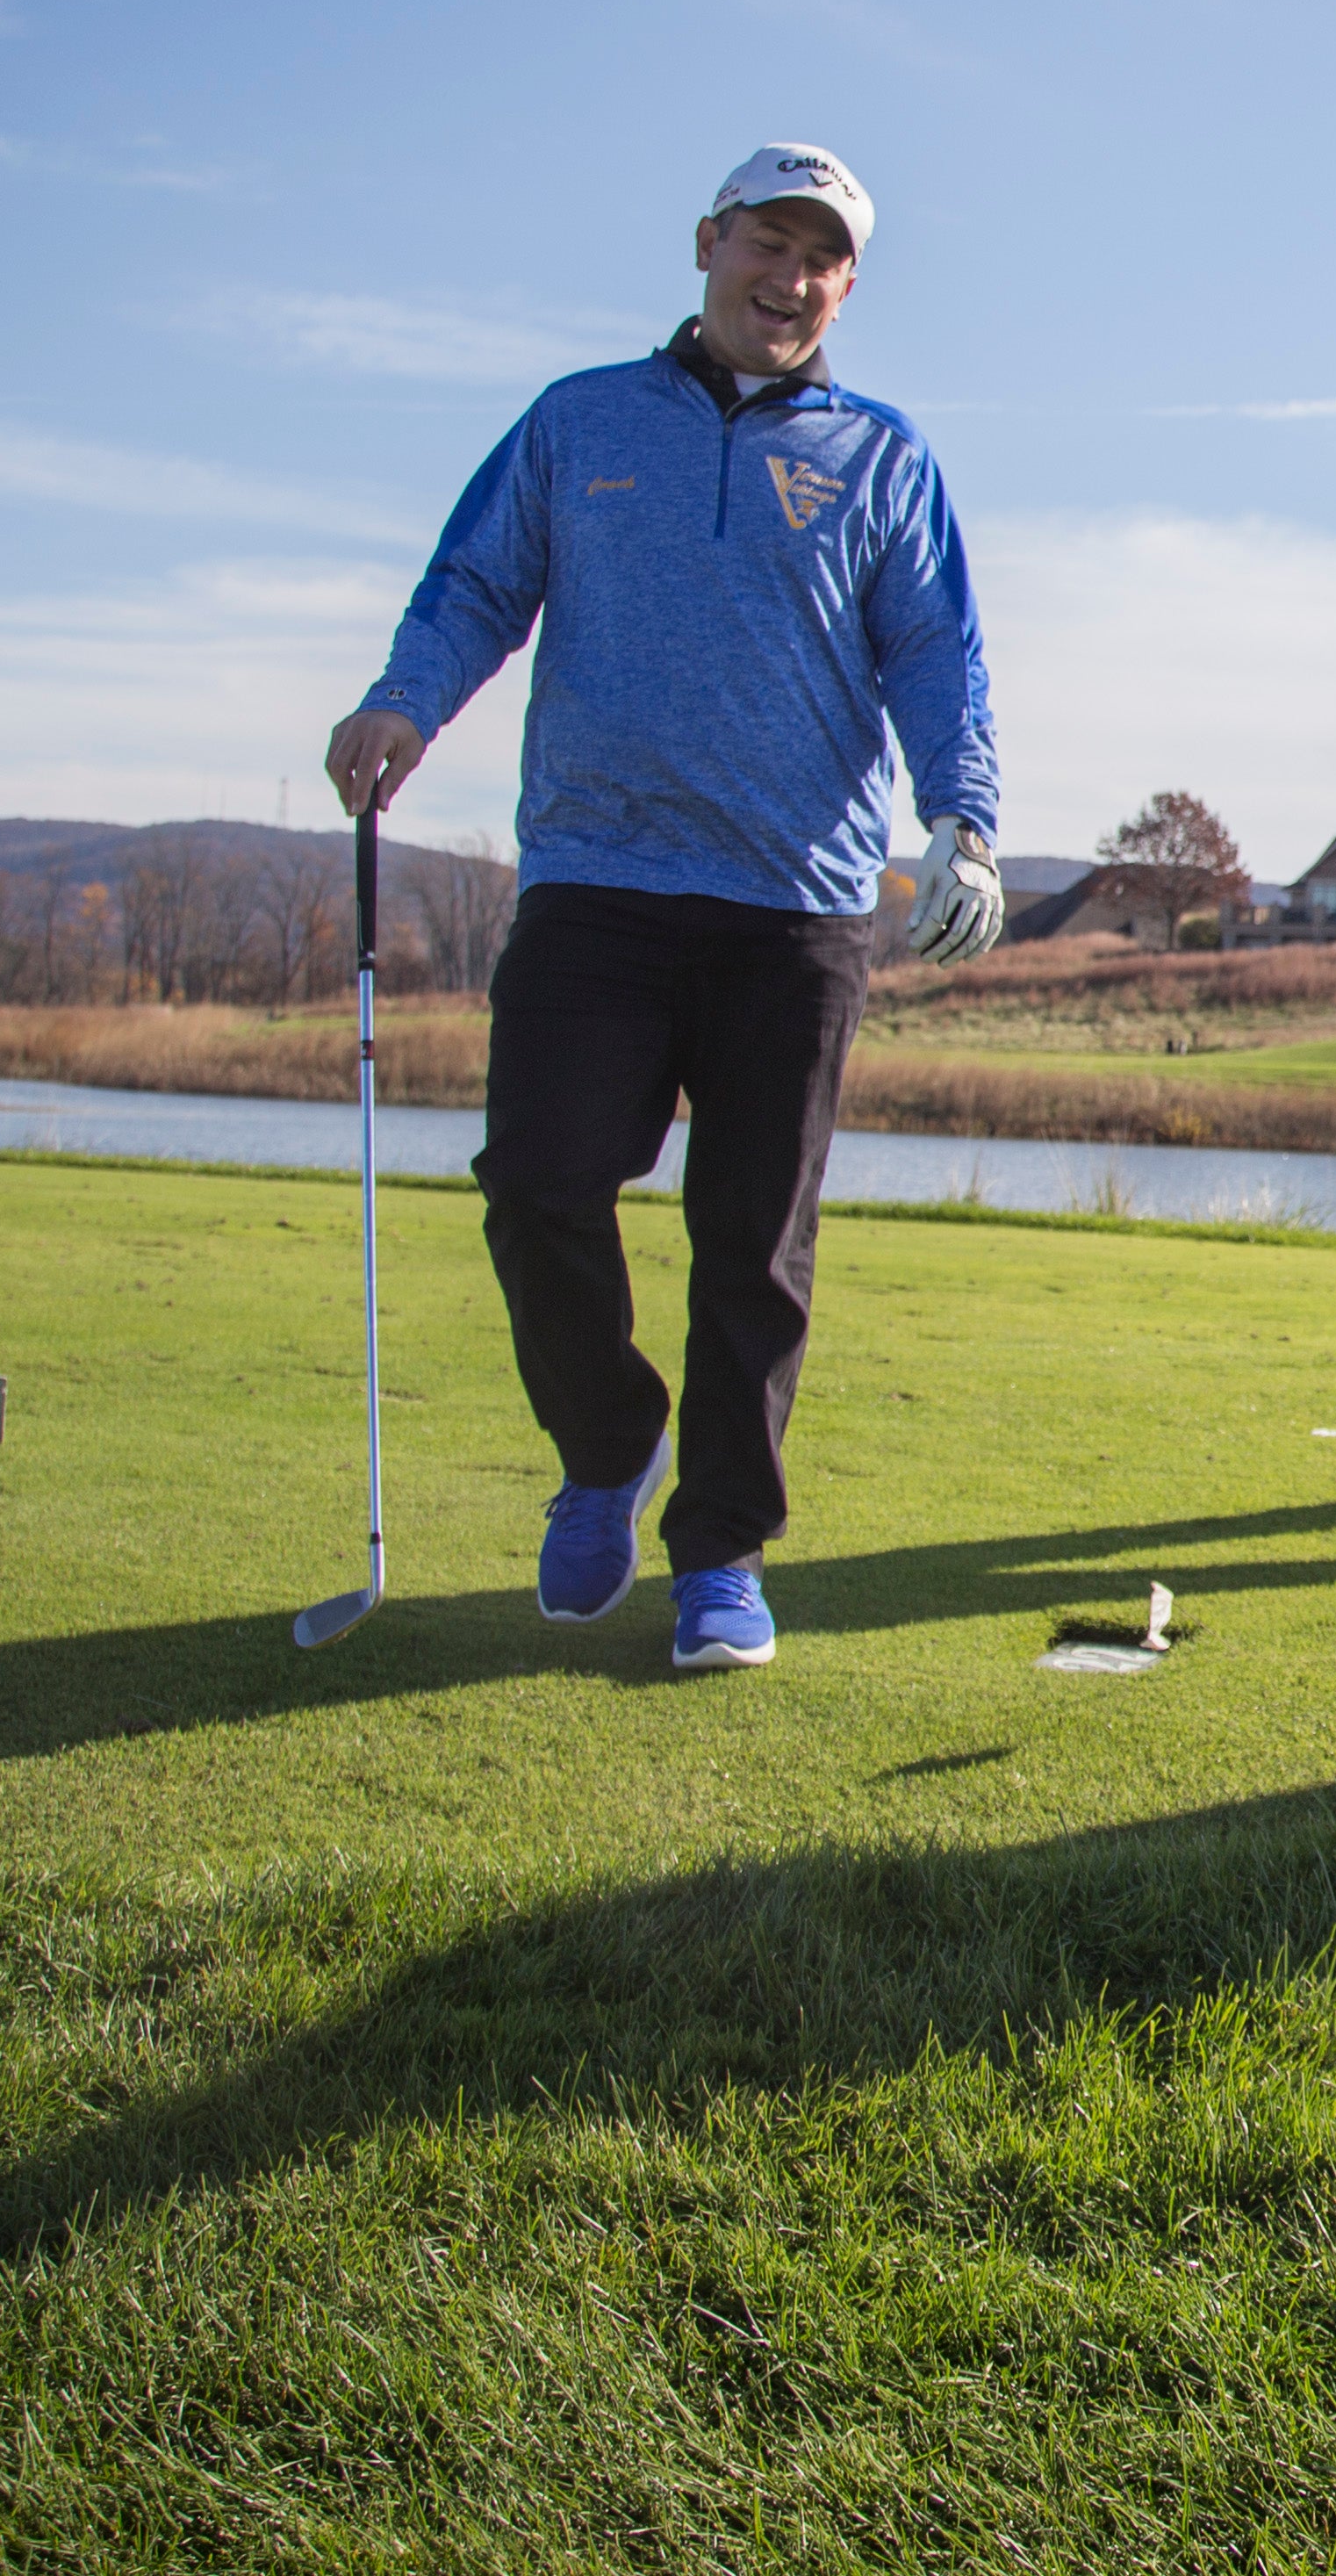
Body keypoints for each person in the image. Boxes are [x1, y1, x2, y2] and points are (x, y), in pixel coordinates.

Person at [320, 144, 1003, 1674]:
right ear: (710, 242)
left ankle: (721, 1559)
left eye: (825, 258)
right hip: (597, 883)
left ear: (848, 284)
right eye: (772, 241)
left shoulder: (883, 454)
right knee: (539, 1184)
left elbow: (936, 656)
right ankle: (611, 1441)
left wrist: (965, 824)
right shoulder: (579, 422)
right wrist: (402, 703)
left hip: (797, 907)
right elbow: (477, 585)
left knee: (754, 1248)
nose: (794, 276)